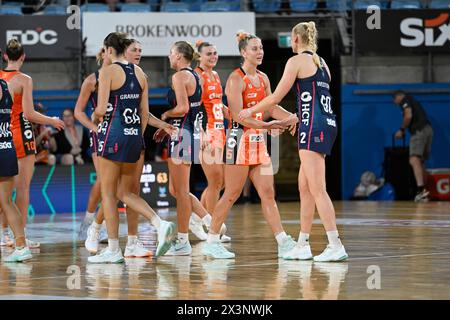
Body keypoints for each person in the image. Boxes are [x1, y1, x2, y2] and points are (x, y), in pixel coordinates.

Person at [239, 22, 348, 262]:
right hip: (326, 125)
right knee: (305, 188)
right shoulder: (322, 63)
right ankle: (303, 244)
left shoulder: (297, 61)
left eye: (291, 39)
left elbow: (276, 97)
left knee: (318, 189)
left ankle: (335, 244)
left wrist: (249, 111)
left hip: (313, 127)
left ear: (296, 40)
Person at [201, 31, 297, 259]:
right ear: (244, 53)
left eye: (261, 47)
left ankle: (283, 242)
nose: (260, 52)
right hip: (238, 140)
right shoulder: (235, 79)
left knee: (267, 193)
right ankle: (212, 240)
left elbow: (271, 107)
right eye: (254, 48)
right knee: (232, 193)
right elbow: (238, 116)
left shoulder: (263, 78)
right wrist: (269, 126)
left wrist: (292, 117)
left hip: (257, 142)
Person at [88, 32, 176, 263]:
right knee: (126, 193)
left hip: (112, 135)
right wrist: (136, 133)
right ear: (125, 48)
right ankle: (159, 222)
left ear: (108, 49)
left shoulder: (107, 71)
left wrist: (96, 116)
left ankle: (114, 250)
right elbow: (144, 114)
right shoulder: (140, 74)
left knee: (109, 194)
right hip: (135, 136)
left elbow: (101, 108)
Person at [0, 39, 64, 249]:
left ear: (5, 56)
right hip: (21, 133)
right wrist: (52, 120)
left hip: (3, 134)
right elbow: (28, 113)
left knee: (4, 190)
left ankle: (3, 235)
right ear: (24, 57)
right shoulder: (24, 79)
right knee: (23, 189)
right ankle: (21, 236)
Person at [0, 70, 32, 262]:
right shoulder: (7, 86)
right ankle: (21, 247)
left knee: (6, 201)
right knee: (6, 201)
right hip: (7, 148)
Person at [393, 90, 433, 202]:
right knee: (420, 162)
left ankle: (420, 192)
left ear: (398, 97)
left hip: (419, 130)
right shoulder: (413, 101)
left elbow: (408, 115)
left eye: (395, 101)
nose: (396, 104)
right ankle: (425, 192)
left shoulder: (405, 99)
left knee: (414, 159)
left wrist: (401, 130)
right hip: (428, 130)